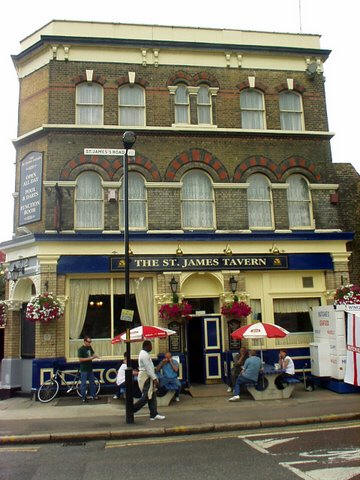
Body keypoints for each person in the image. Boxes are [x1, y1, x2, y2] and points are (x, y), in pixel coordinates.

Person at [132, 340, 165, 420]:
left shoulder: (144, 354)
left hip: (147, 376)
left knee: (152, 395)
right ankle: (131, 410)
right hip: (146, 377)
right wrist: (155, 378)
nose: (151, 347)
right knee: (146, 396)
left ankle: (154, 414)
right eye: (150, 345)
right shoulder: (144, 355)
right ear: (147, 346)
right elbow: (148, 369)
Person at [78, 336, 100, 403]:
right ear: (85, 341)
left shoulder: (89, 347)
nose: (90, 343)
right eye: (89, 342)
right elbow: (80, 359)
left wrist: (97, 356)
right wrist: (91, 358)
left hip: (90, 368)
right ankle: (84, 397)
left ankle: (93, 395)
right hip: (84, 369)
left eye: (90, 342)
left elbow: (93, 353)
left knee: (92, 382)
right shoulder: (81, 349)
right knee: (83, 384)